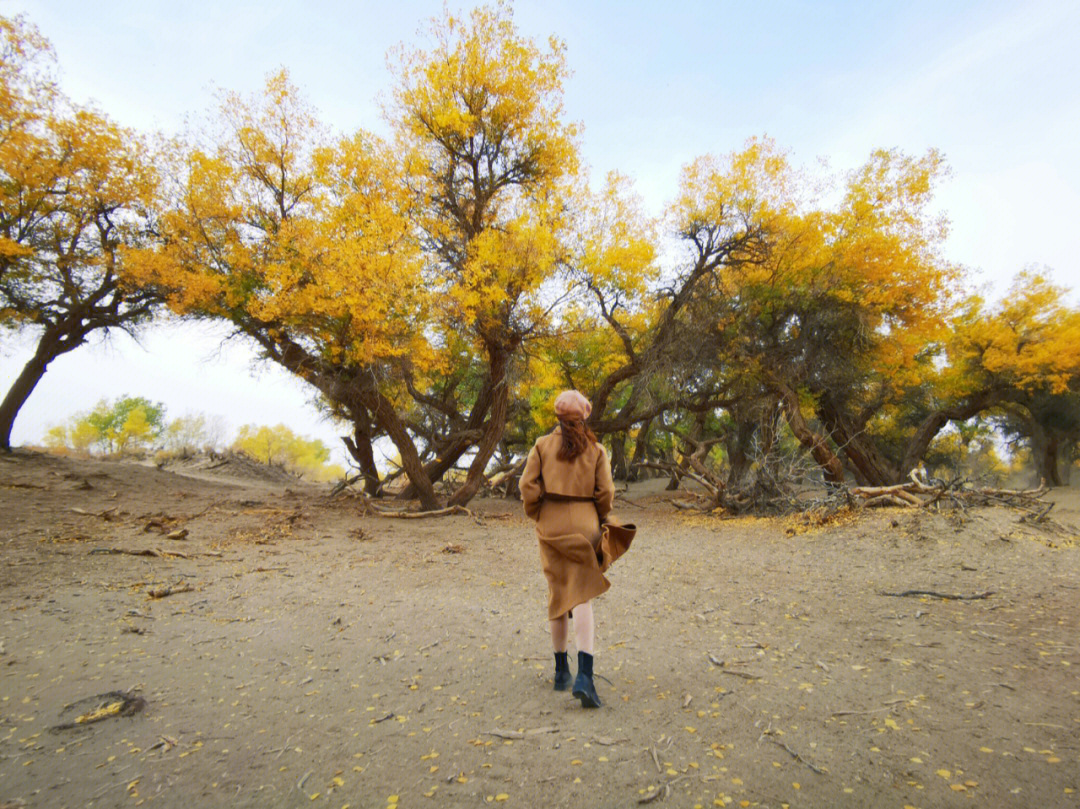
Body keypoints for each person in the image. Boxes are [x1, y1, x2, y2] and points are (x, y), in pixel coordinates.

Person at [519, 390, 634, 709]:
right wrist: (598, 517)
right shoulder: (597, 450)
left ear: (557, 416)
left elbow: (527, 487)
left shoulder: (541, 446)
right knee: (581, 594)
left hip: (550, 523)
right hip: (586, 525)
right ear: (583, 417)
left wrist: (538, 513)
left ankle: (560, 673)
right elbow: (606, 493)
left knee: (559, 592)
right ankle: (585, 674)